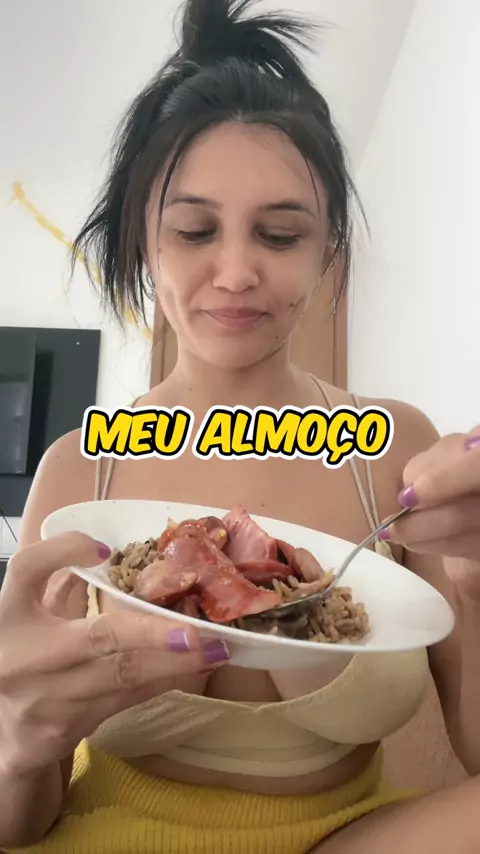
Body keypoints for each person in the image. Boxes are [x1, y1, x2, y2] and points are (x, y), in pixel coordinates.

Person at [1, 1, 480, 851]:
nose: (235, 272)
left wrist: (477, 583)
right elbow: (18, 823)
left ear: (326, 249)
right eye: (194, 230)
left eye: (280, 234)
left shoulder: (396, 450)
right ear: (144, 244)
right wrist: (18, 745)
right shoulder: (80, 472)